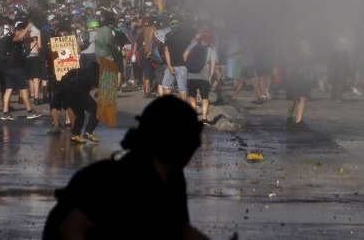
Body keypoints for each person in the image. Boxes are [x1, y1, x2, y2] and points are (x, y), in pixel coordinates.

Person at [43, 95, 228, 240]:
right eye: (190, 138)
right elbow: (71, 228)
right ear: (170, 140)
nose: (196, 145)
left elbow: (181, 229)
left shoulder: (173, 177)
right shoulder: (120, 178)